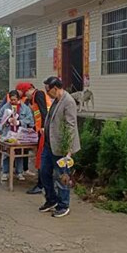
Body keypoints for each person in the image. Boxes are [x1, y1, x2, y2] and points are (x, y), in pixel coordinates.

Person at [39, 76, 80, 218]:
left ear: (55, 88)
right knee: (44, 172)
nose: (47, 93)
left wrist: (68, 151)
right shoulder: (55, 100)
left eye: (48, 90)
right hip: (49, 145)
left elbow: (70, 126)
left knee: (61, 176)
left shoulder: (68, 102)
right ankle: (51, 200)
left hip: (61, 147)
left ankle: (64, 205)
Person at [20, 83, 52, 195]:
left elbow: (44, 112)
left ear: (29, 90)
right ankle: (42, 183)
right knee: (41, 157)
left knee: (41, 157)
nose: (26, 97)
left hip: (44, 131)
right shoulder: (34, 98)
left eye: (25, 94)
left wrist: (43, 127)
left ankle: (41, 184)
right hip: (41, 130)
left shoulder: (38, 94)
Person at [0, 90, 34, 182]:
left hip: (20, 133)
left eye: (14, 99)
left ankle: (19, 172)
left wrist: (20, 122)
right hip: (8, 132)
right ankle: (5, 172)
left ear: (18, 99)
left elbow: (30, 119)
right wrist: (7, 120)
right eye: (11, 99)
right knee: (7, 153)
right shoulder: (5, 107)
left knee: (19, 153)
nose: (12, 101)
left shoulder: (25, 108)